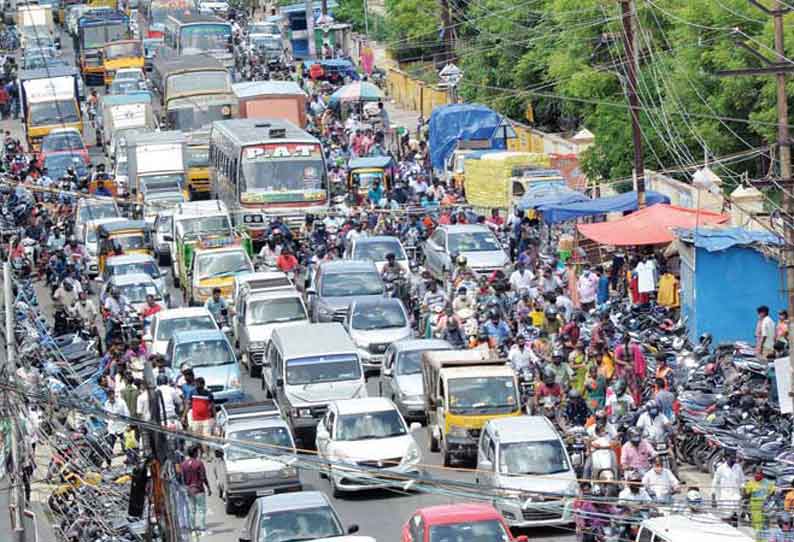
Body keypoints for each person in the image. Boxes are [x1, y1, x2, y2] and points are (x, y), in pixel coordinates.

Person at [181, 445, 212, 536]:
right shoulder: (199, 463)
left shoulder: (183, 464)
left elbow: (182, 478)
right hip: (199, 490)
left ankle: (193, 530)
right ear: (195, 453)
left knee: (192, 511)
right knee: (202, 510)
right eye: (197, 452)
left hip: (189, 490)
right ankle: (202, 529)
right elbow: (203, 477)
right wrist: (208, 488)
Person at [711, 452, 744, 525]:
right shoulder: (721, 468)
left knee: (735, 515)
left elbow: (742, 481)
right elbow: (715, 482)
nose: (733, 459)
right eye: (731, 457)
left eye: (734, 457)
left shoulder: (738, 468)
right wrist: (713, 496)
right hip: (724, 495)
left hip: (735, 495)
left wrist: (742, 490)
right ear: (727, 458)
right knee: (725, 517)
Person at [744, 467, 775, 536]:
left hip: (765, 506)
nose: (757, 475)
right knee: (757, 523)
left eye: (759, 474)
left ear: (762, 474)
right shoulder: (750, 483)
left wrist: (769, 497)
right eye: (756, 473)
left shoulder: (767, 482)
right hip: (755, 506)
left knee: (765, 524)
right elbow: (746, 494)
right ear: (754, 474)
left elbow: (773, 491)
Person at [103, 389, 130, 467]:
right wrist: (108, 422)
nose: (111, 396)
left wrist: (128, 425)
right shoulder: (106, 404)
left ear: (114, 394)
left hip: (122, 427)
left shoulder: (121, 402)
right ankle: (108, 464)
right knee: (109, 447)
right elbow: (106, 416)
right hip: (112, 429)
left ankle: (129, 462)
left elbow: (127, 413)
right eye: (109, 395)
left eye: (112, 394)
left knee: (126, 447)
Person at [189, 377, 215, 455]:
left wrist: (214, 416)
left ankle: (207, 454)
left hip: (206, 419)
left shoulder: (208, 394)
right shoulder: (192, 393)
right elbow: (188, 404)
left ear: (203, 385)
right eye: (196, 384)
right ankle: (201, 452)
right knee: (197, 437)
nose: (197, 386)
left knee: (206, 437)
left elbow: (212, 405)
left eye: (199, 384)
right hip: (196, 419)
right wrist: (184, 416)